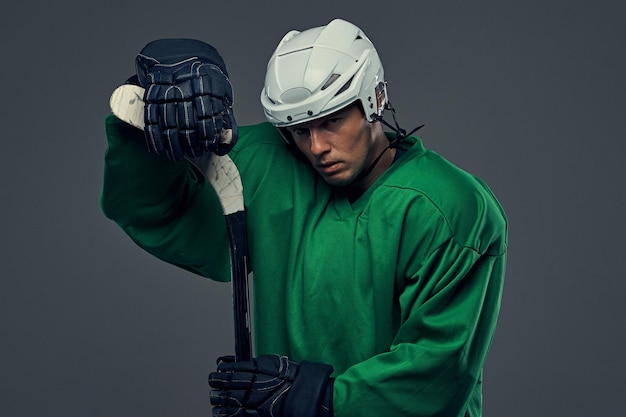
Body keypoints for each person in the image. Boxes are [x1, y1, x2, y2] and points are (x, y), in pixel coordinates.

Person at [100, 18, 507, 417]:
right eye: (299, 129)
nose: (317, 147)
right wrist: (146, 111)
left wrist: (318, 397)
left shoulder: (451, 207)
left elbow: (439, 370)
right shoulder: (265, 165)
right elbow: (157, 213)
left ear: (375, 100)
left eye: (331, 121)